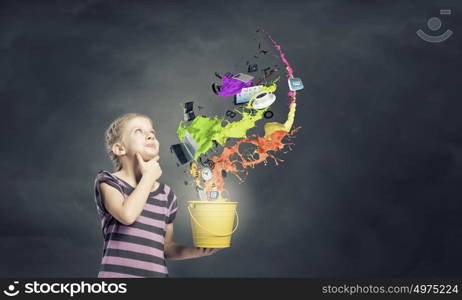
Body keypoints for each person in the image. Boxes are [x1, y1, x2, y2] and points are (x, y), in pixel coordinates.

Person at [94, 113, 220, 278]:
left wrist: (199, 251)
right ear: (119, 148)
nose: (150, 135)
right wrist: (148, 177)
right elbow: (127, 215)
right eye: (138, 131)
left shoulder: (166, 195)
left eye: (152, 132)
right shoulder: (108, 181)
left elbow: (166, 248)